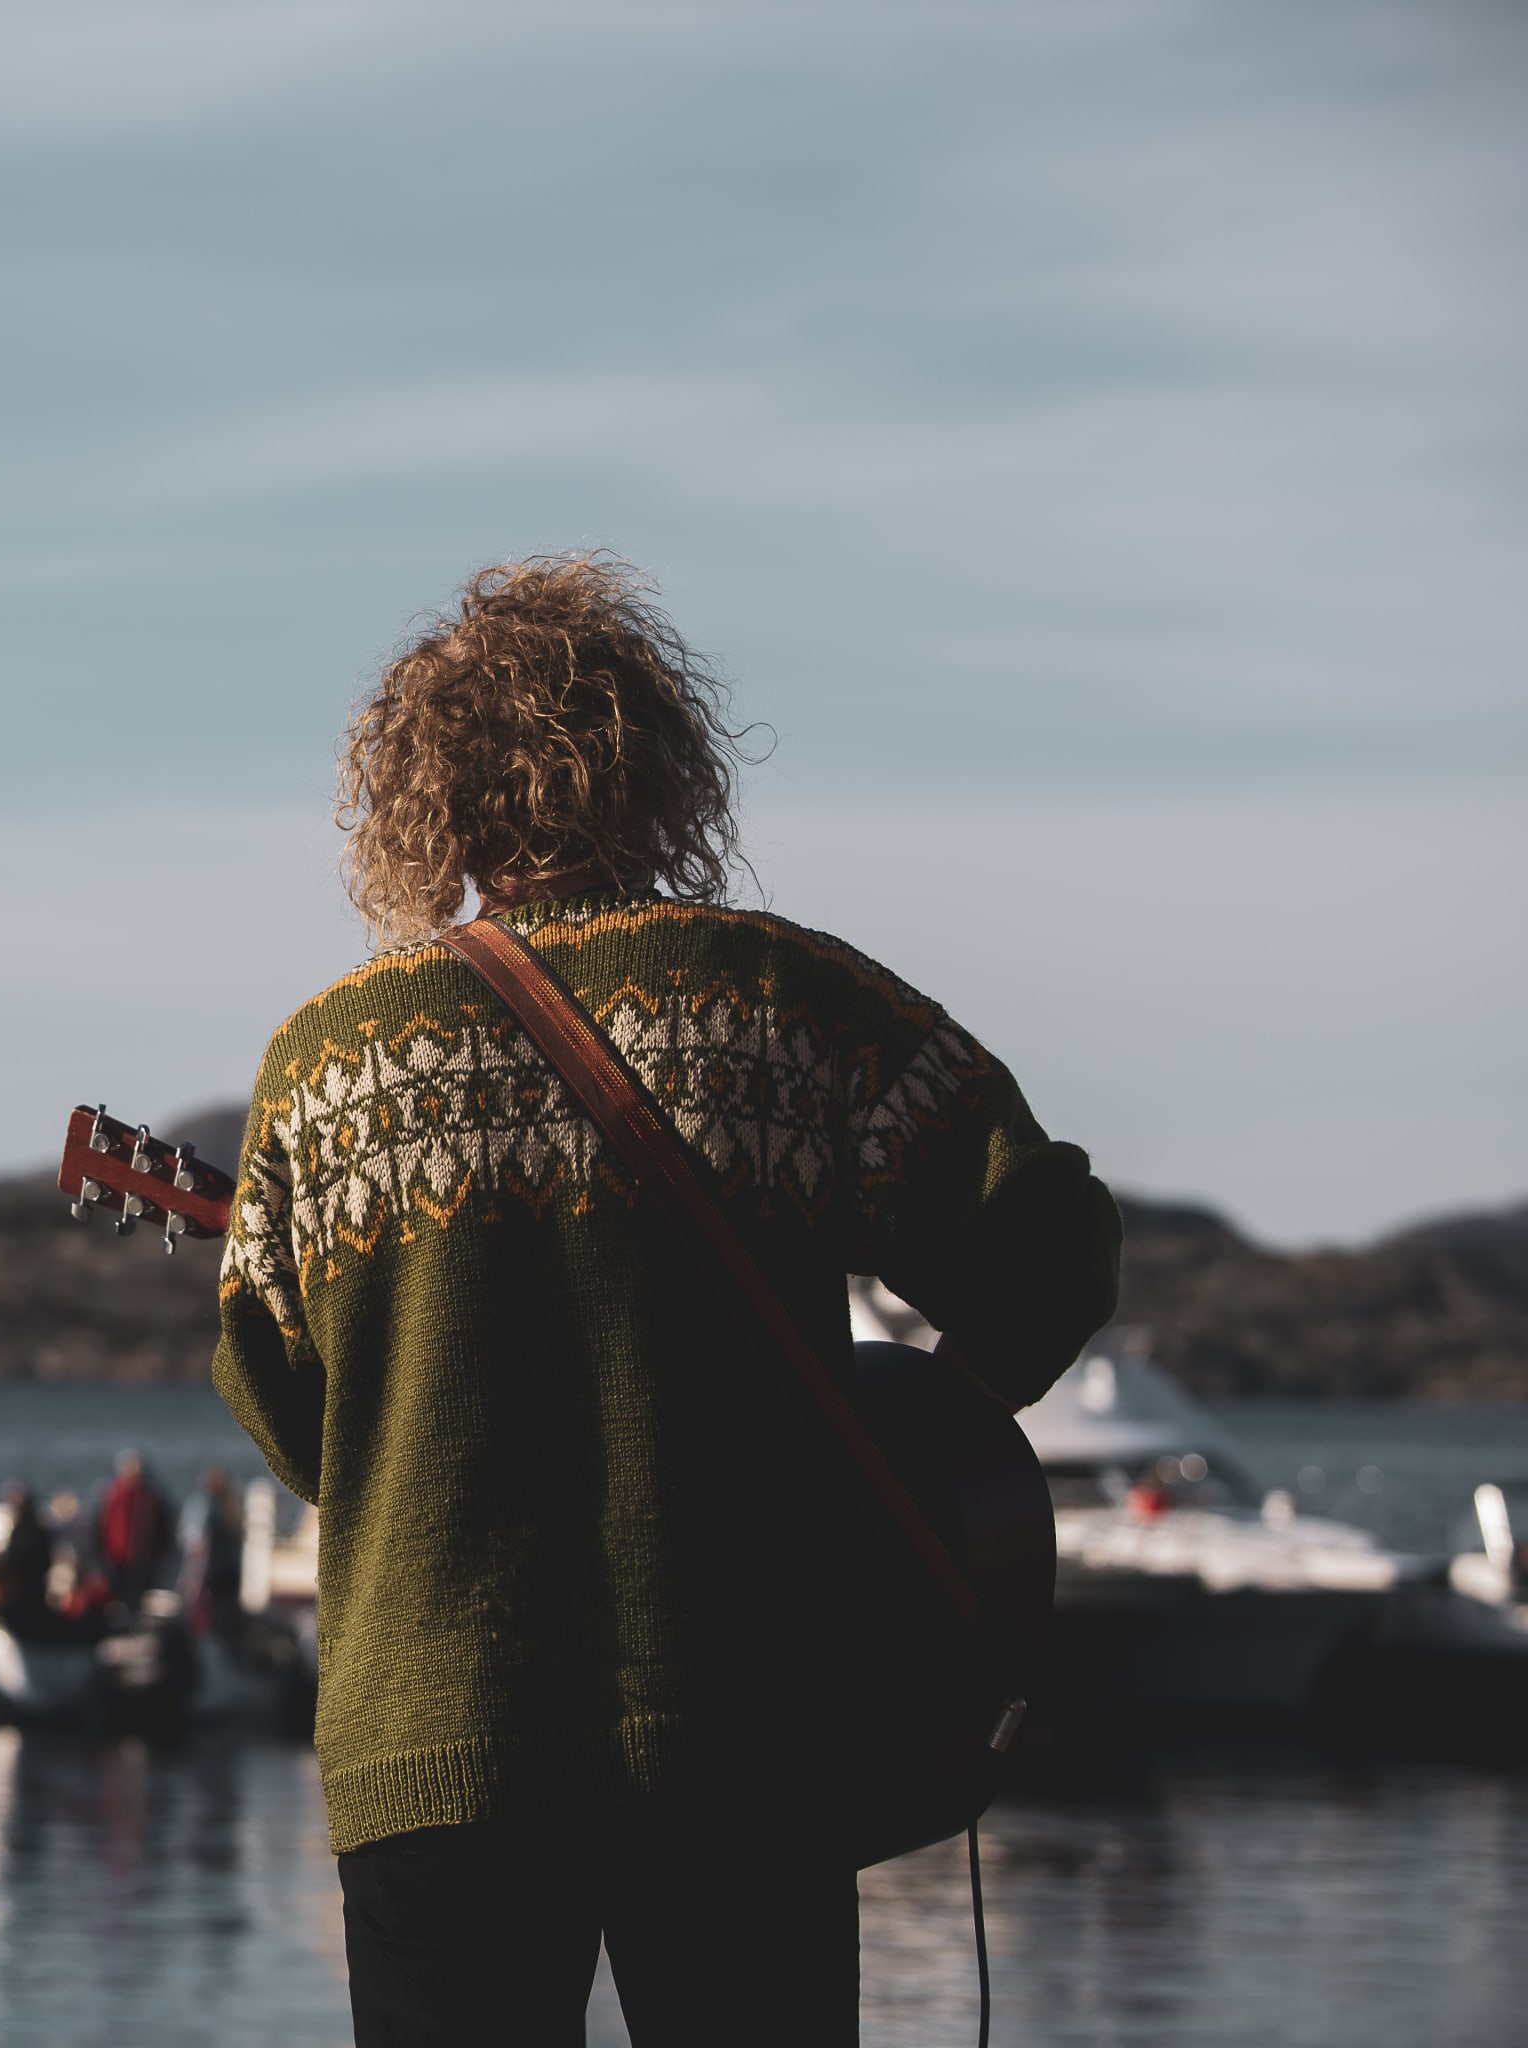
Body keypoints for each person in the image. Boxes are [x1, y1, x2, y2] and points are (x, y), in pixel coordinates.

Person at [208, 557, 1122, 2046]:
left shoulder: (326, 1063)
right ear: (654, 765)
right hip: (745, 1742)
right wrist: (929, 1428)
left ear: (420, 789)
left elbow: (279, 1390)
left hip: (435, 1754)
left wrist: (438, 1471)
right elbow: (1050, 1238)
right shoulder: (782, 1005)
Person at [90, 1449, 175, 1606]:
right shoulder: (111, 1493)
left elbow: (164, 1528)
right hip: (114, 1558)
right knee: (116, 1595)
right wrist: (99, 1554)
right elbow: (98, 1525)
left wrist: (160, 1553)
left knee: (141, 1596)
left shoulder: (152, 1496)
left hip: (144, 1559)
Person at [180, 1465, 247, 1637]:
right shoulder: (230, 1508)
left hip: (211, 1577)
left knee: (206, 1625)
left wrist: (192, 1579)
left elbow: (195, 1543)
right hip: (227, 1574)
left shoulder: (203, 1507)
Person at [0, 1478, 58, 1631]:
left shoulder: (33, 1526)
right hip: (24, 1583)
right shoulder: (24, 1526)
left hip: (31, 1583)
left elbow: (34, 1555)